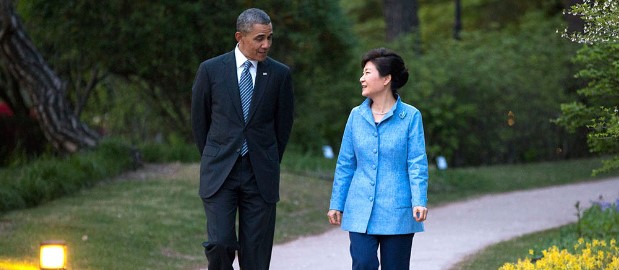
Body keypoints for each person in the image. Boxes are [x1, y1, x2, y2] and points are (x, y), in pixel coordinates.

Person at [191, 8, 294, 270]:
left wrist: (266, 158)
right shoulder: (211, 70)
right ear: (240, 37)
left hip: (260, 174)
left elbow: (283, 126)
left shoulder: (280, 75)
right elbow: (199, 122)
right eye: (260, 38)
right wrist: (216, 155)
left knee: (256, 253)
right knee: (220, 243)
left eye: (270, 38)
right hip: (220, 172)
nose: (266, 44)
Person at [327, 48, 429, 270]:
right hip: (359, 208)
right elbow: (346, 163)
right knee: (363, 263)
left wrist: (419, 199)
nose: (361, 79)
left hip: (397, 209)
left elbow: (416, 162)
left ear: (386, 79)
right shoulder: (356, 115)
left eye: (367, 73)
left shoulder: (410, 116)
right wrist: (337, 203)